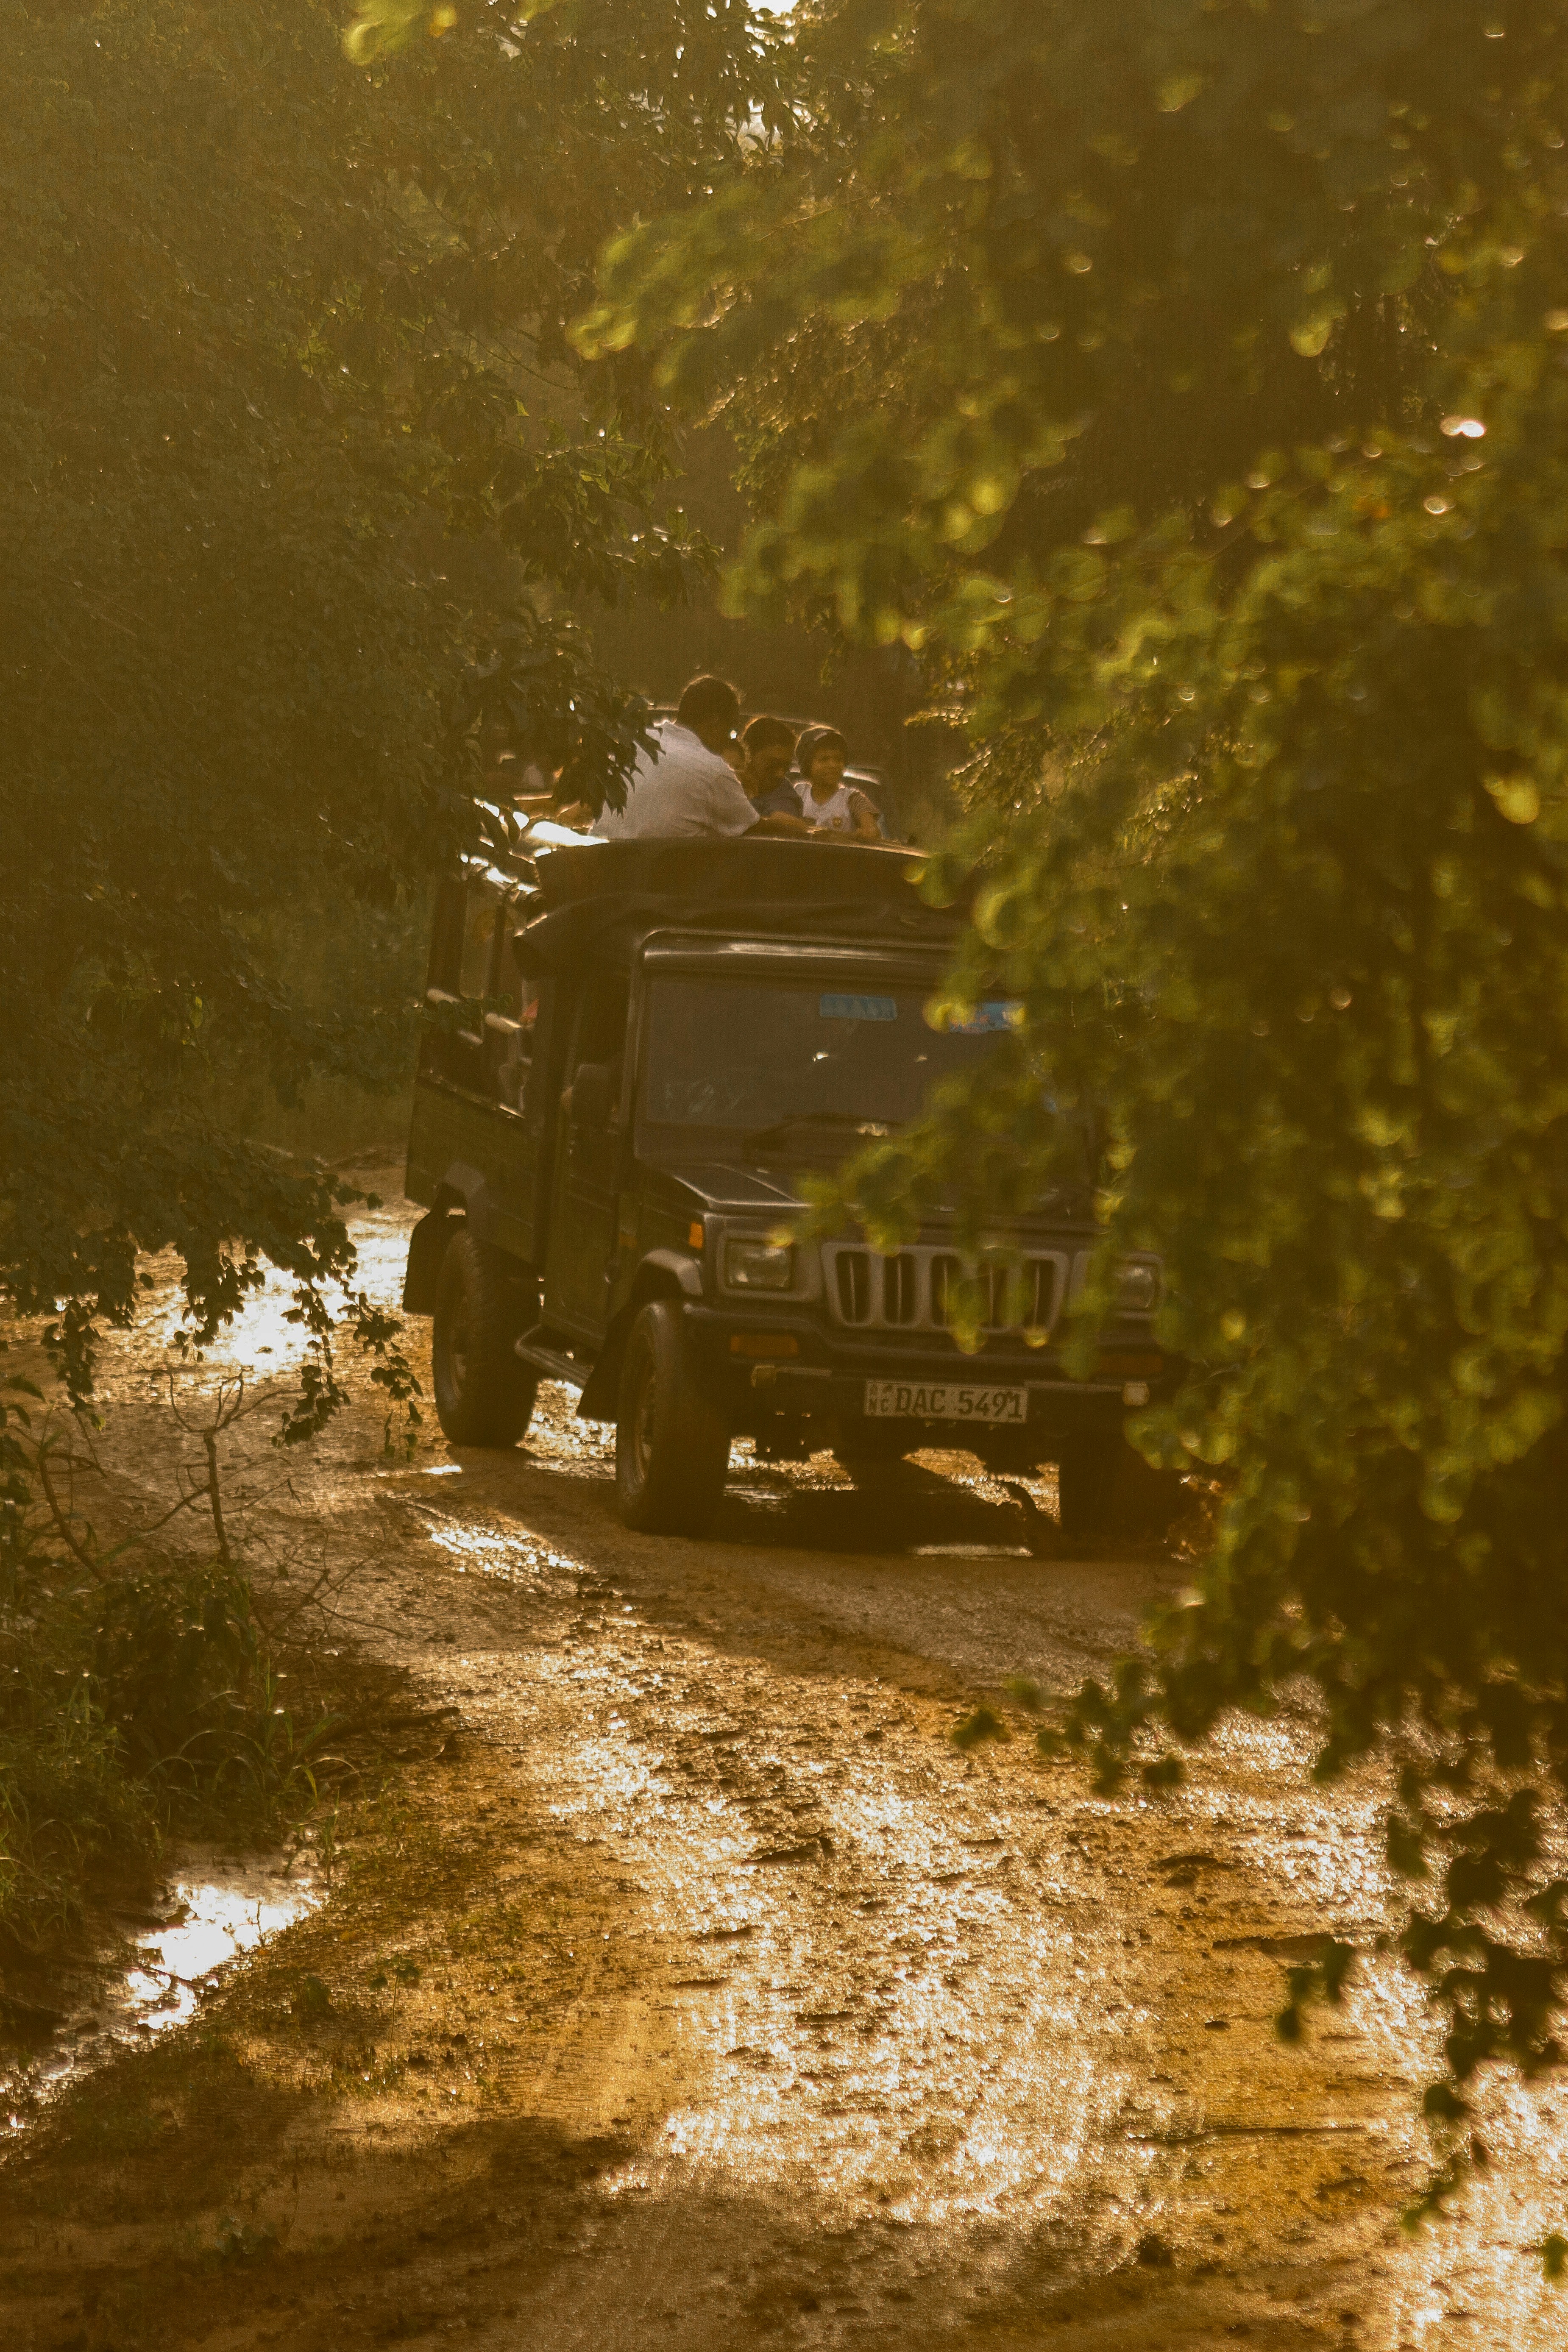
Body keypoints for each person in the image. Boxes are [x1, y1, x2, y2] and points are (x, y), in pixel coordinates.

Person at [592, 678, 812, 842]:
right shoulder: (713, 770)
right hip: (658, 884)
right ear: (716, 724)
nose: (728, 741)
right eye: (730, 732)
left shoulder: (637, 740)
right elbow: (753, 828)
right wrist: (814, 835)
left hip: (602, 862)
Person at [791, 726, 883, 842]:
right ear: (808, 765)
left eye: (838, 759)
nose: (833, 765)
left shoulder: (854, 799)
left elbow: (872, 833)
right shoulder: (799, 793)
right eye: (824, 759)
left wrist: (831, 836)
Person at [738, 715, 802, 816]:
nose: (781, 774)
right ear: (747, 755)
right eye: (773, 764)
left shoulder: (785, 802)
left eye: (786, 766)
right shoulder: (723, 782)